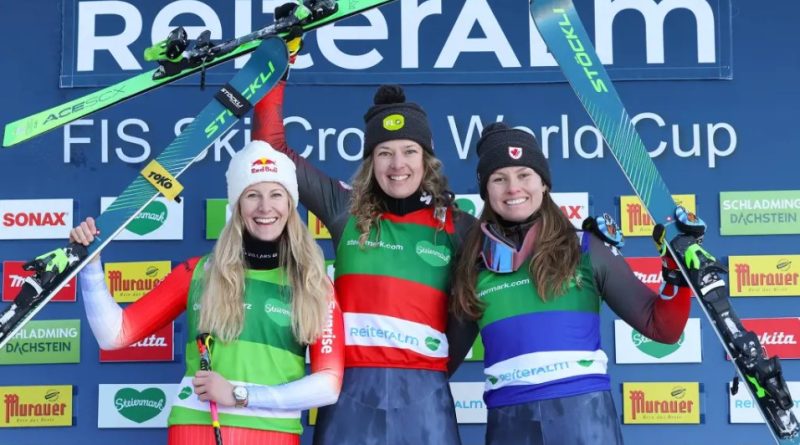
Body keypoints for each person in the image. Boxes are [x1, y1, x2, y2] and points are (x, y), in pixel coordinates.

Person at [70, 141, 345, 445]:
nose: (265, 207)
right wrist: (91, 266)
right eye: (252, 195)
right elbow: (114, 335)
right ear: (238, 206)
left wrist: (240, 396)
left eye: (276, 195)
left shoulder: (313, 284)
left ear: (290, 206)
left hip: (274, 434)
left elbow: (328, 386)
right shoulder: (199, 272)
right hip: (196, 428)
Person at [252, 78, 475, 443]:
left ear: (427, 158)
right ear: (371, 161)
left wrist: (435, 367)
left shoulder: (458, 226)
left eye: (409, 151)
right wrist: (275, 73)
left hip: (426, 396)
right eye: (385, 152)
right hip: (349, 395)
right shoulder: (346, 209)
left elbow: (473, 310)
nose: (397, 164)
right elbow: (270, 150)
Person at [450, 122, 694, 445]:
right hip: (510, 423)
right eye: (499, 179)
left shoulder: (586, 247)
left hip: (584, 418)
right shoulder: (474, 262)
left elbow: (663, 328)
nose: (513, 188)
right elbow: (441, 361)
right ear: (486, 190)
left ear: (544, 183)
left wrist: (678, 274)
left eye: (524, 174)